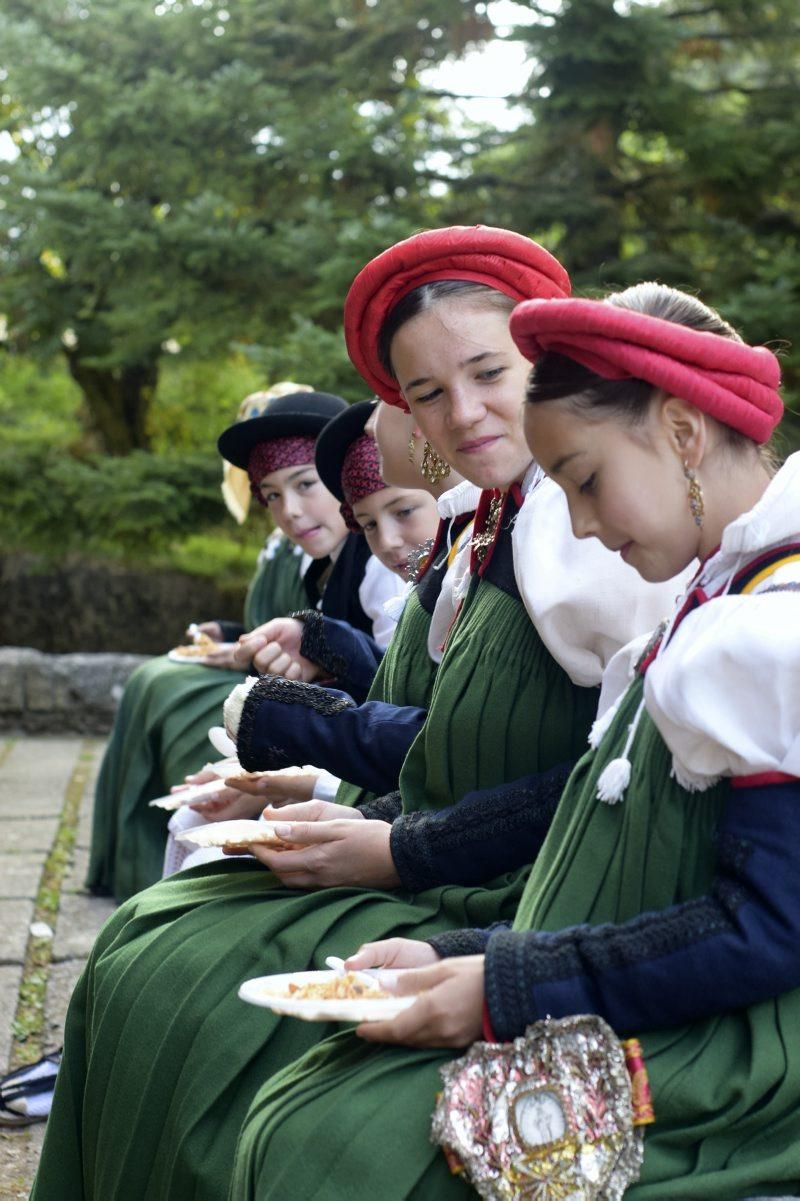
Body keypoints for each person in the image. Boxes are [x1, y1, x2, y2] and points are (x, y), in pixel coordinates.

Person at [31, 229, 686, 1201]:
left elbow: (609, 790)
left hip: (505, 891)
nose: (460, 413)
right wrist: (360, 812)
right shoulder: (493, 521)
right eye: (426, 392)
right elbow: (453, 745)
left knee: (178, 978)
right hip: (451, 863)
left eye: (487, 371)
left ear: (543, 359)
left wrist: (392, 848)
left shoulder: (597, 530)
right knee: (151, 938)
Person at [227, 282, 798, 1201]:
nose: (576, 523)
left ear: (684, 434)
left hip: (744, 1056)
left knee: (336, 1140)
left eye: (584, 479)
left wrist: (507, 983)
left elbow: (769, 930)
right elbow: (631, 869)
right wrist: (467, 951)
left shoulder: (774, 634)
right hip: (653, 989)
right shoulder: (722, 595)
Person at [88, 388, 401, 901]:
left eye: (306, 484)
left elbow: (398, 694)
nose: (291, 512)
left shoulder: (385, 563)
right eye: (273, 496)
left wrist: (290, 771)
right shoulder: (333, 562)